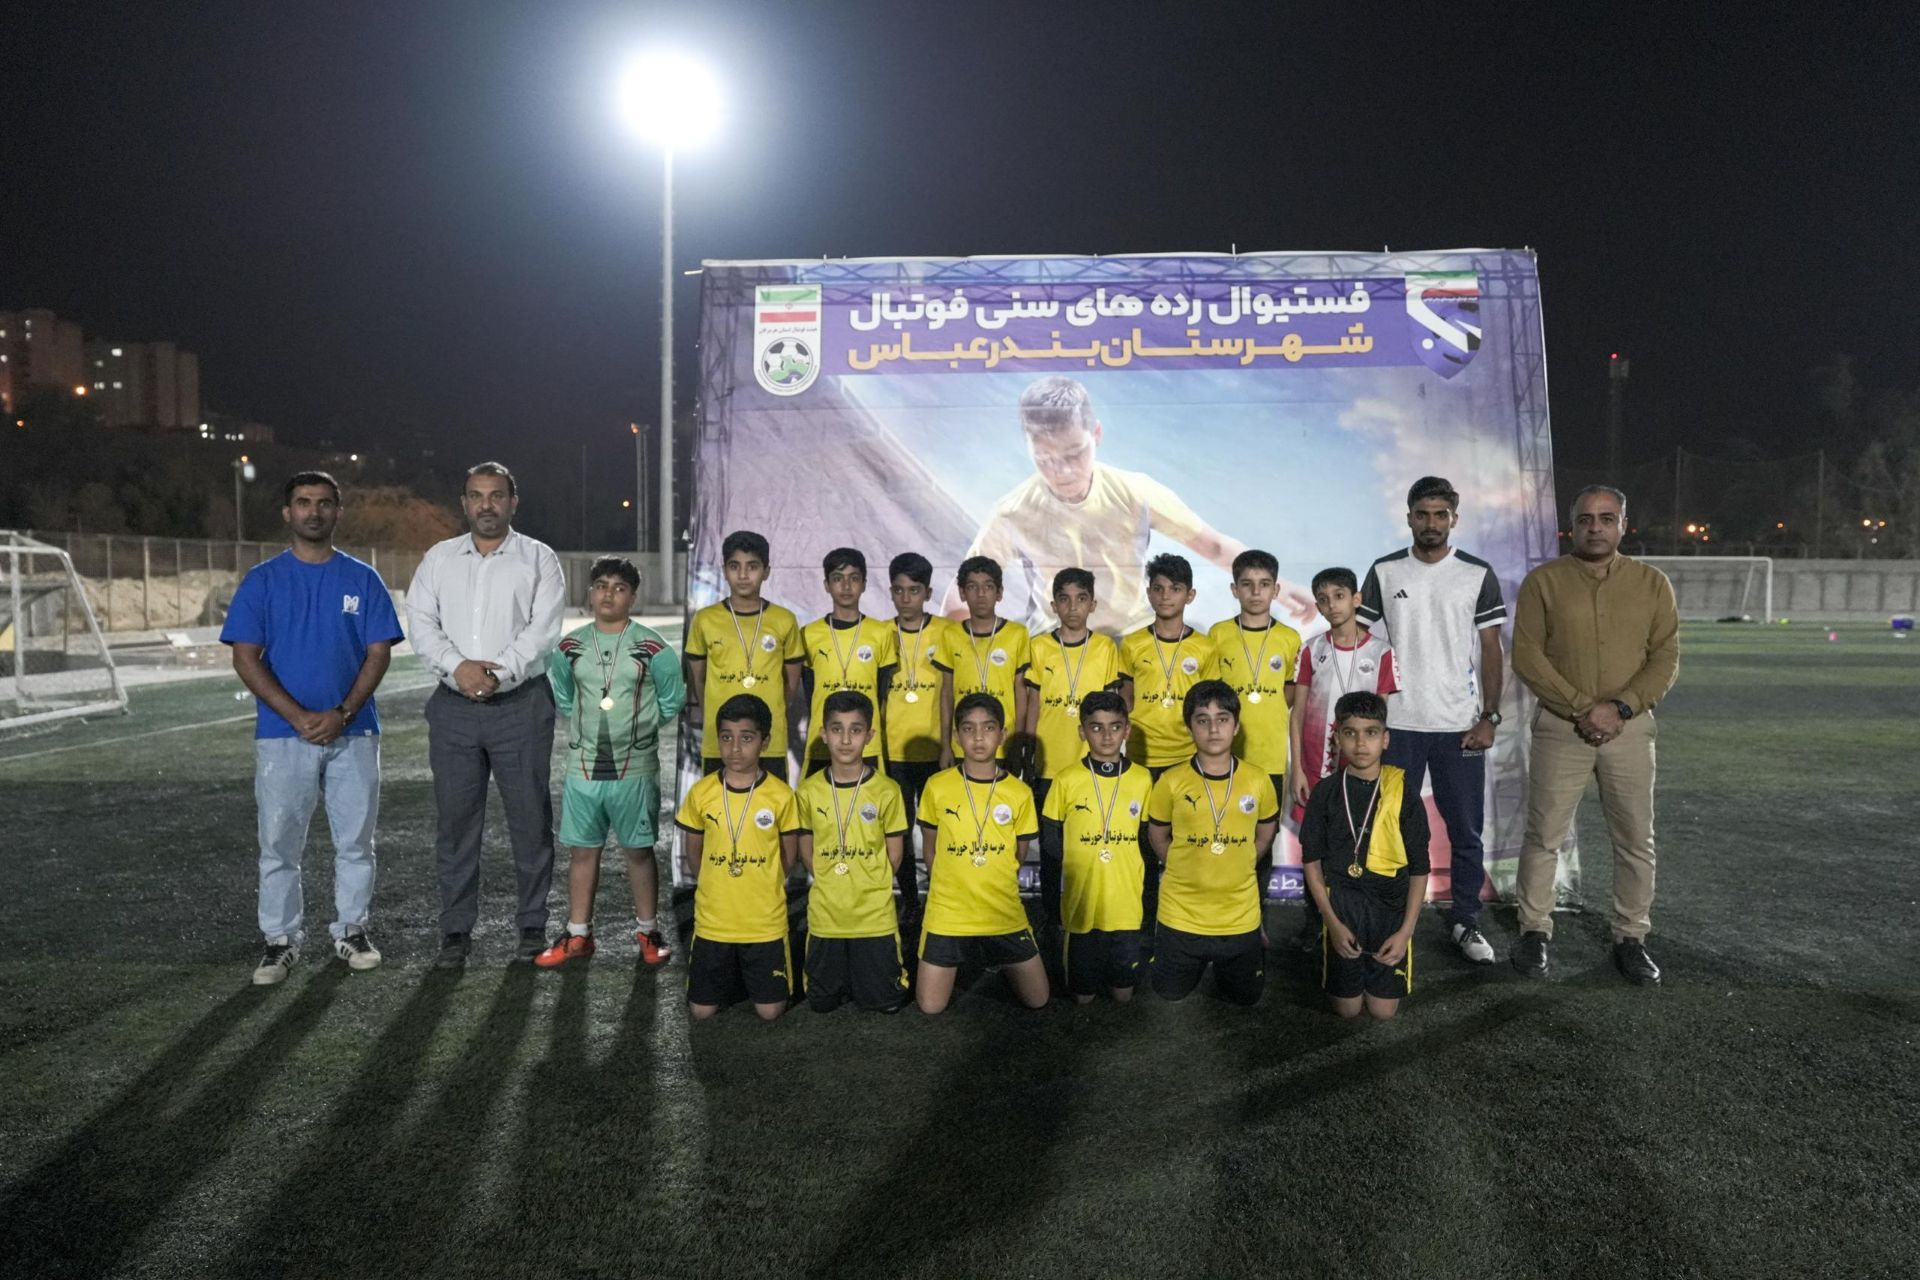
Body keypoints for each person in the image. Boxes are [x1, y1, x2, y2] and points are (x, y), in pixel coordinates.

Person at [944, 375, 1311, 635]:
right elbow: (960, 597)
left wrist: (1280, 584)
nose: (1062, 470)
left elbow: (1213, 545)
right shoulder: (1012, 512)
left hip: (1132, 640)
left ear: (1096, 434)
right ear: (1028, 446)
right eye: (1045, 458)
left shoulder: (1135, 491)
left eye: (1074, 453)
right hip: (1054, 644)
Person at [223, 471, 404, 985]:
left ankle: (352, 930)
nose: (314, 511)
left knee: (356, 842)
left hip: (354, 732)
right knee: (279, 844)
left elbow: (378, 652)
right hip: (283, 736)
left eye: (324, 503)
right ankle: (280, 941)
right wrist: (297, 715)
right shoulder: (262, 580)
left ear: (338, 512)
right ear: (288, 512)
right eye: (303, 502)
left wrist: (341, 712)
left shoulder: (362, 578)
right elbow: (245, 657)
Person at [1510, 485, 1680, 985]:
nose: (1596, 527)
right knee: (1544, 835)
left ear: (1624, 524)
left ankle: (1631, 937)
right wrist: (1584, 708)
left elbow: (1665, 658)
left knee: (1635, 839)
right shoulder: (1544, 581)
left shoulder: (1652, 584)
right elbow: (1527, 657)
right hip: (1560, 728)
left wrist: (1620, 707)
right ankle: (1534, 931)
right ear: (1572, 525)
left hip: (1630, 730)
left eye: (1607, 518)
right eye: (1586, 519)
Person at [407, 462, 566, 969]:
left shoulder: (539, 558)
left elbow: (544, 628)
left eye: (496, 495)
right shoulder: (439, 559)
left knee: (530, 821)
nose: (486, 505)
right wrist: (459, 668)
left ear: (513, 502)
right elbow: (421, 622)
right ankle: (455, 931)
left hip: (521, 706)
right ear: (464, 503)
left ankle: (532, 926)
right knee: (456, 825)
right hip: (453, 709)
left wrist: (499, 673)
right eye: (476, 495)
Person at [1358, 476, 1507, 965]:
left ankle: (1465, 920)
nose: (1431, 523)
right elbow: (1356, 640)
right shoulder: (1384, 571)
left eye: (1440, 514)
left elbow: (1491, 648)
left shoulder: (1476, 573)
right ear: (1409, 518)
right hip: (1398, 725)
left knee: (1465, 830)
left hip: (1458, 725)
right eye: (1422, 514)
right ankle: (1388, 917)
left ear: (1453, 519)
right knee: (1390, 828)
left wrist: (1489, 717)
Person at [533, 557, 685, 970]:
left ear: (633, 596)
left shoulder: (653, 647)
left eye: (619, 588)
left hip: (634, 770)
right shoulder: (569, 647)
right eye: (601, 585)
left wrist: (640, 729)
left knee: (639, 851)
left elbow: (672, 698)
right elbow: (565, 697)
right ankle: (578, 934)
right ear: (590, 592)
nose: (608, 594)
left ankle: (649, 932)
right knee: (583, 852)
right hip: (583, 769)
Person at [1144, 681, 1279, 1005]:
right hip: (1181, 915)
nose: (1213, 729)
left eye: (1222, 719)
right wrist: (1181, 864)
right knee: (1168, 993)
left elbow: (1265, 833)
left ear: (1236, 726)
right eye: (1202, 720)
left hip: (1239, 918)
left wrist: (1243, 861)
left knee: (1246, 998)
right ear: (1189, 727)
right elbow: (1157, 836)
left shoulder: (1258, 780)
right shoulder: (1170, 781)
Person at [1288, 566, 1400, 949]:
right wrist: (1297, 769)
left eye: (1339, 596)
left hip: (1361, 770)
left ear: (1356, 599)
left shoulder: (1381, 652)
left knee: (1357, 842)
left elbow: (1381, 720)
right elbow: (1297, 714)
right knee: (1315, 846)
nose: (1331, 605)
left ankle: (1356, 918)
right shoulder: (1311, 649)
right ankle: (1315, 922)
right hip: (1315, 767)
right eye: (1323, 599)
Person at [1299, 691, 1430, 1020]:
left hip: (1390, 906)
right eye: (1350, 733)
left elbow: (1420, 869)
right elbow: (1311, 861)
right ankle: (1336, 958)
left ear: (1385, 739)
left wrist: (1405, 932)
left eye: (1371, 732)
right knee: (1347, 1009)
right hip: (1343, 906)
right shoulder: (1325, 792)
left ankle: (1381, 964)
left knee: (1383, 1011)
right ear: (1337, 738)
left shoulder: (1403, 793)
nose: (1360, 743)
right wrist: (1332, 923)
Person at [914, 692, 1046, 1014]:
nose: (978, 737)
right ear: (956, 736)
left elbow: (1018, 854)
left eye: (988, 728)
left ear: (1002, 734)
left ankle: (995, 953)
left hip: (1001, 909)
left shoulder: (1019, 792)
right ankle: (973, 951)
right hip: (949, 911)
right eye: (968, 729)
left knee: (1038, 999)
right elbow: (930, 848)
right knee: (931, 1006)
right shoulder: (937, 786)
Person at [674, 695, 803, 1020]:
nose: (735, 748)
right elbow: (693, 852)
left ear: (764, 742)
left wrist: (767, 883)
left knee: (770, 1012)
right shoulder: (701, 793)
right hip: (714, 920)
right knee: (701, 1012)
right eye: (726, 737)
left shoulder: (781, 795)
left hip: (764, 922)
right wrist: (711, 883)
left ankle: (751, 976)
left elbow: (788, 855)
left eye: (746, 738)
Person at [796, 691, 912, 1012]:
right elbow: (806, 848)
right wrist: (829, 879)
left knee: (884, 1002)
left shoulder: (887, 791)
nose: (845, 740)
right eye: (837, 729)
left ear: (869, 736)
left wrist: (869, 882)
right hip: (827, 915)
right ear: (823, 733)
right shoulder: (808, 791)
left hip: (873, 915)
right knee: (822, 1003)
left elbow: (894, 854)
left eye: (855, 730)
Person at [1024, 567, 1124, 930]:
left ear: (1092, 605)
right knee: (1052, 850)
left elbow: (1112, 707)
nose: (1073, 607)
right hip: (1049, 765)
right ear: (1053, 605)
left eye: (1081, 599)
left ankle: (1095, 911)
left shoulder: (1105, 648)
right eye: (1064, 599)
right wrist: (1028, 752)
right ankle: (1053, 918)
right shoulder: (1039, 647)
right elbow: (1032, 705)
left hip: (1090, 766)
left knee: (1090, 843)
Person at [1207, 549, 1302, 925]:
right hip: (1226, 758)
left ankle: (1254, 918)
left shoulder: (1289, 639)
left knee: (1262, 841)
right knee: (1223, 835)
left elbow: (1290, 695)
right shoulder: (1218, 635)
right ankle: (1220, 913)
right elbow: (1211, 696)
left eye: (1264, 585)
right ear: (1234, 589)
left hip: (1270, 759)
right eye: (1247, 584)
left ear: (1276, 590)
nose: (1256, 592)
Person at [1040, 691, 1153, 1002]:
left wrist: (1148, 899)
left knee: (1123, 996)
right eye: (1096, 727)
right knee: (1083, 997)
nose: (1106, 736)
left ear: (1127, 730)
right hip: (1081, 907)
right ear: (1082, 732)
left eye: (1115, 727)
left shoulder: (1143, 780)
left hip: (1126, 907)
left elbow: (1147, 845)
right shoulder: (1065, 780)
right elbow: (1050, 843)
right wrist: (1056, 901)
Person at [684, 530, 806, 778]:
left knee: (768, 802)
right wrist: (715, 713)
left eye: (752, 567)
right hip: (720, 740)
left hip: (769, 740)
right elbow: (699, 680)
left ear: (766, 571)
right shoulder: (705, 619)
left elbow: (790, 684)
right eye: (734, 566)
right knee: (719, 801)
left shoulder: (784, 619)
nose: (742, 575)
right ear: (724, 570)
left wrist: (770, 712)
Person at [883, 552, 956, 918]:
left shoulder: (946, 632)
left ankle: (942, 897)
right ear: (891, 592)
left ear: (928, 593)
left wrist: (947, 744)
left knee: (938, 828)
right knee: (899, 829)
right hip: (893, 751)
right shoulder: (881, 633)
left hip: (934, 750)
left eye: (914, 590)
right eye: (899, 590)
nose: (906, 598)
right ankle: (910, 903)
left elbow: (950, 693)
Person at [1119, 554, 1221, 778]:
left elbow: (1209, 704)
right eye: (1158, 589)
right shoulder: (1132, 644)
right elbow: (1126, 698)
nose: (1165, 596)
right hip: (1141, 751)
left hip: (1188, 752)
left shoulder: (1205, 646)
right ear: (1149, 593)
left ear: (1190, 595)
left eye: (1175, 589)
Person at [800, 547, 897, 773]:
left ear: (864, 584)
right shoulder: (808, 633)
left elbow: (882, 693)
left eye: (853, 579)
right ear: (826, 585)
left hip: (866, 742)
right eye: (837, 579)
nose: (846, 586)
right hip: (822, 741)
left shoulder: (881, 633)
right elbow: (810, 692)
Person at [939, 556, 1031, 768]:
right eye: (972, 587)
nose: (981, 594)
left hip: (1003, 742)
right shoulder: (951, 634)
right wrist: (945, 745)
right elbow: (946, 693)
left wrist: (1017, 742)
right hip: (963, 742)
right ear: (962, 593)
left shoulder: (1017, 634)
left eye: (988, 587)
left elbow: (1020, 692)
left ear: (999, 593)